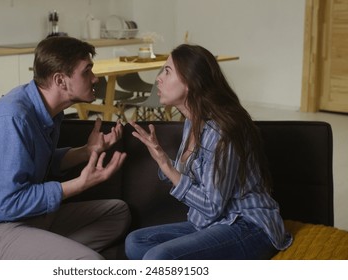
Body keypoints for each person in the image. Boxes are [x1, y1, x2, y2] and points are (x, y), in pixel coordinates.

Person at [0, 36, 130, 260]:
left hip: (32, 219)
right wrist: (80, 184)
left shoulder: (50, 111)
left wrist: (87, 151)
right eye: (86, 71)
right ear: (60, 80)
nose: (95, 79)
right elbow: (12, 203)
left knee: (117, 213)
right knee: (91, 263)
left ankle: (43, 256)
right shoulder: (11, 118)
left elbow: (40, 160)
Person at [125, 44, 292, 260]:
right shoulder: (191, 122)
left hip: (249, 226)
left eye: (167, 71)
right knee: (136, 242)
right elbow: (192, 185)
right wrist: (162, 159)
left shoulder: (223, 129)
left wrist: (167, 166)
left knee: (159, 258)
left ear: (190, 81)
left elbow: (211, 206)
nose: (159, 78)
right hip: (210, 224)